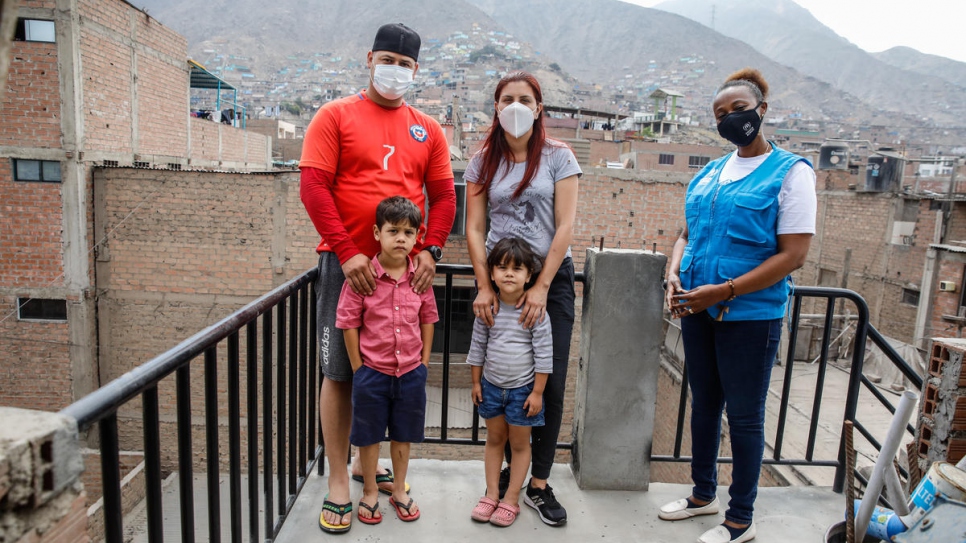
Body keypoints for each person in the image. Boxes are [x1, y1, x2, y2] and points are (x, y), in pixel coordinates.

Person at [299, 22, 456, 534]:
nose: (396, 70)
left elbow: (445, 196)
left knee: (397, 370)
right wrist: (347, 253)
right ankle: (340, 482)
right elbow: (313, 186)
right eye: (388, 59)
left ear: (416, 70)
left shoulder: (428, 129)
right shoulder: (335, 115)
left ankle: (376, 471)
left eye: (406, 64)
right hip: (347, 267)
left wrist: (431, 249)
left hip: (403, 272)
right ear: (369, 59)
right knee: (341, 373)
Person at [660, 68, 816, 543]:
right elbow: (686, 235)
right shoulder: (711, 172)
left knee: (745, 417)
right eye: (720, 114)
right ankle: (702, 494)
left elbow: (793, 255)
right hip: (698, 310)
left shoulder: (791, 172)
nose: (730, 119)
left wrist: (723, 291)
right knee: (704, 405)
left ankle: (740, 519)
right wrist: (673, 272)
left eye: (738, 110)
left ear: (761, 110)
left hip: (750, 317)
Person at [464, 71, 581, 526]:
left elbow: (565, 225)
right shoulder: (482, 161)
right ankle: (500, 485)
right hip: (500, 278)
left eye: (525, 98)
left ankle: (537, 484)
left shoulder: (558, 156)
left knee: (546, 383)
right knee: (497, 371)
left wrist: (542, 285)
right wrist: (484, 284)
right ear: (496, 107)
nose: (516, 105)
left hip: (548, 278)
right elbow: (474, 227)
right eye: (507, 98)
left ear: (539, 107)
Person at [336, 196, 438, 526]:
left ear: (416, 237)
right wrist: (358, 368)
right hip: (372, 373)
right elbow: (348, 322)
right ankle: (368, 491)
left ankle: (398, 491)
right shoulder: (364, 276)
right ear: (377, 233)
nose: (401, 239)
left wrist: (423, 363)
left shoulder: (419, 278)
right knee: (367, 436)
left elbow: (428, 319)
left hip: (410, 372)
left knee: (403, 435)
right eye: (393, 231)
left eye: (409, 233)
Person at [468, 237, 552, 527]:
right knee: (494, 440)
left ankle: (512, 498)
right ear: (491, 273)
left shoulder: (534, 312)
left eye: (517, 269)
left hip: (522, 392)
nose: (508, 273)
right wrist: (476, 383)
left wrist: (538, 392)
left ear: (529, 276)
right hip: (491, 388)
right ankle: (491, 494)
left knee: (518, 444)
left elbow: (544, 355)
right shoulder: (487, 308)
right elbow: (477, 348)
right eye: (502, 267)